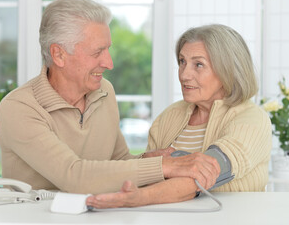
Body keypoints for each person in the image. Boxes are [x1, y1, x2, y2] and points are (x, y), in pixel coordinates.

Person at [0, 0, 220, 195]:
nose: (109, 63)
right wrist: (166, 167)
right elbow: (74, 176)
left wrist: (149, 160)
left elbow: (118, 162)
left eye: (108, 50)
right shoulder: (19, 108)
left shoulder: (104, 92)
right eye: (97, 52)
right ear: (59, 54)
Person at [86, 24, 272, 208]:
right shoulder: (169, 117)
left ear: (228, 71)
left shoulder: (251, 119)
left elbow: (206, 174)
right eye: (182, 62)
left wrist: (139, 197)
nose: (184, 75)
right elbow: (149, 175)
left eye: (198, 64)